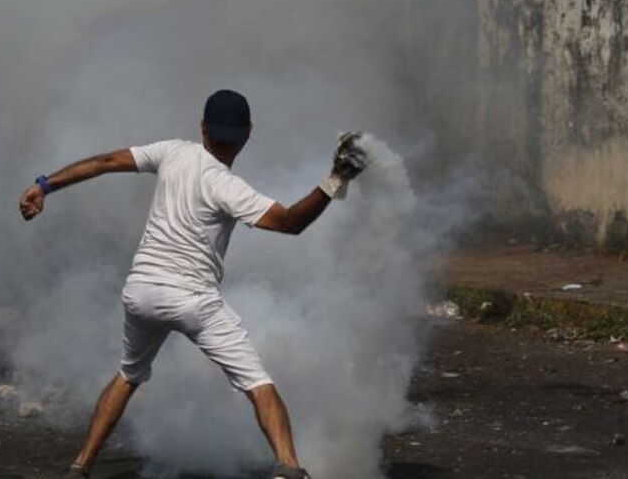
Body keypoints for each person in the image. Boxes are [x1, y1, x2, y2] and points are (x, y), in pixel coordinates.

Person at [18, 89, 368, 479]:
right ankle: (289, 469)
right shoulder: (226, 185)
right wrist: (335, 179)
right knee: (258, 383)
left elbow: (104, 161)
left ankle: (79, 466)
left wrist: (44, 185)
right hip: (191, 300)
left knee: (129, 374)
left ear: (202, 128)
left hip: (141, 291)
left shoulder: (172, 151)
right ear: (248, 134)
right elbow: (290, 223)